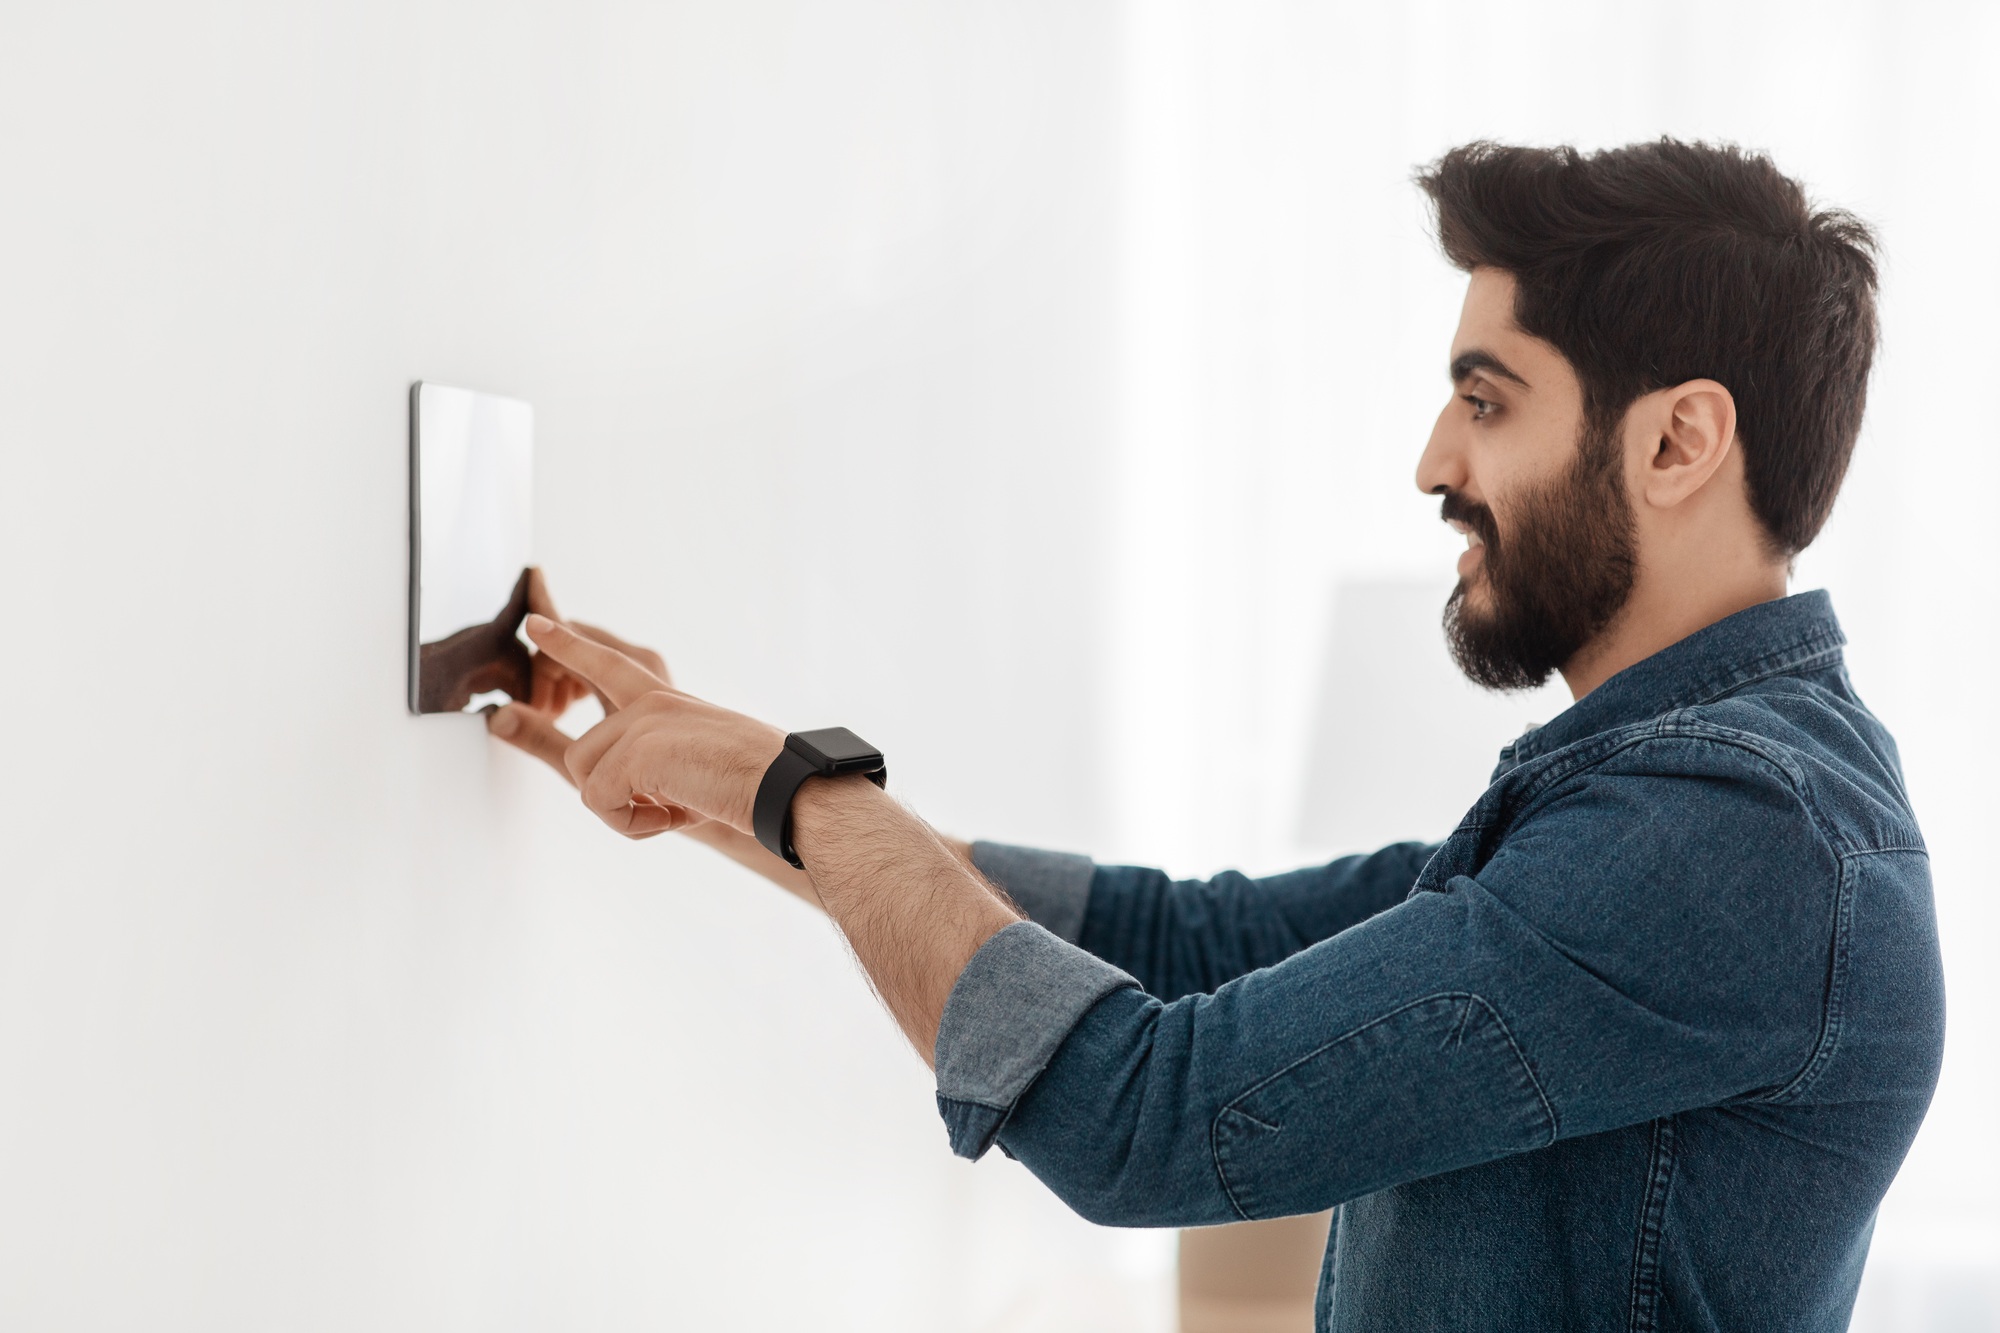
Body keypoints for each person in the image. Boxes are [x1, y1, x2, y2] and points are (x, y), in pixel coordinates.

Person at [486, 140, 1943, 1332]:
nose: (1434, 460)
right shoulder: (1673, 792)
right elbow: (1181, 944)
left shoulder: (1729, 837)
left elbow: (1154, 1115)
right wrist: (732, 782)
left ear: (1678, 442)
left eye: (1485, 398)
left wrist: (791, 786)